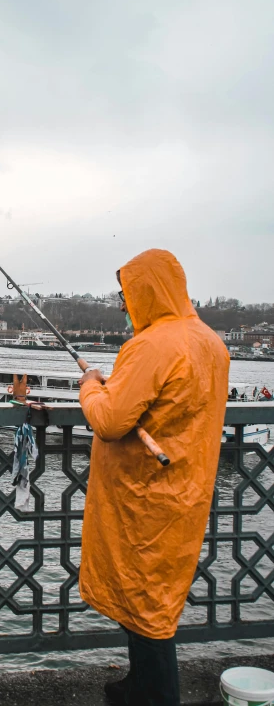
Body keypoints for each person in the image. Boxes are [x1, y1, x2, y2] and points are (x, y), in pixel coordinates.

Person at [78, 249, 229, 706]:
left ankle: (158, 695)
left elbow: (109, 421)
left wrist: (91, 385)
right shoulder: (212, 343)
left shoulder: (151, 345)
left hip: (143, 497)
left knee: (147, 607)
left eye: (127, 295)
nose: (124, 307)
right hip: (186, 490)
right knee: (154, 596)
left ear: (147, 292)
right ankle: (138, 684)